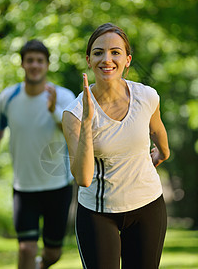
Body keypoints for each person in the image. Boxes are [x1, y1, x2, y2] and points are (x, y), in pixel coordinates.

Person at [62, 23, 170, 269]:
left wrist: (162, 154)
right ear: (89, 60)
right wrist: (89, 122)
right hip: (98, 213)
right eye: (98, 53)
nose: (106, 59)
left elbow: (158, 132)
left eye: (115, 52)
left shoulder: (147, 97)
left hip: (147, 206)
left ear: (127, 60)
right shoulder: (74, 114)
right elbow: (83, 177)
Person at [0, 40, 75, 269]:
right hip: (24, 187)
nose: (34, 65)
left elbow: (73, 133)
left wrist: (53, 112)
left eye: (39, 61)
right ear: (22, 64)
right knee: (26, 248)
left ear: (47, 65)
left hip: (58, 186)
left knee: (53, 254)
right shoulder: (7, 98)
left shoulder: (63, 96)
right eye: (30, 60)